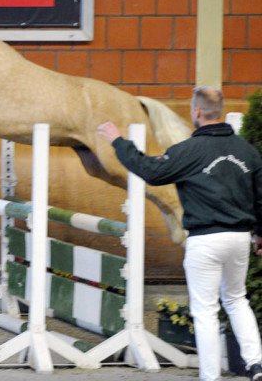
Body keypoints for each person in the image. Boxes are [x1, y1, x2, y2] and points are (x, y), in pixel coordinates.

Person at [97, 86, 262, 381]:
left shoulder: (188, 151)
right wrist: (261, 233)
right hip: (239, 239)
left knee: (205, 311)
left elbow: (150, 171)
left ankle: (210, 377)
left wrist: (118, 141)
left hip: (205, 240)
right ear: (219, 110)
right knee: (237, 299)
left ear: (196, 112)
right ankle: (257, 365)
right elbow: (261, 195)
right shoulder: (247, 151)